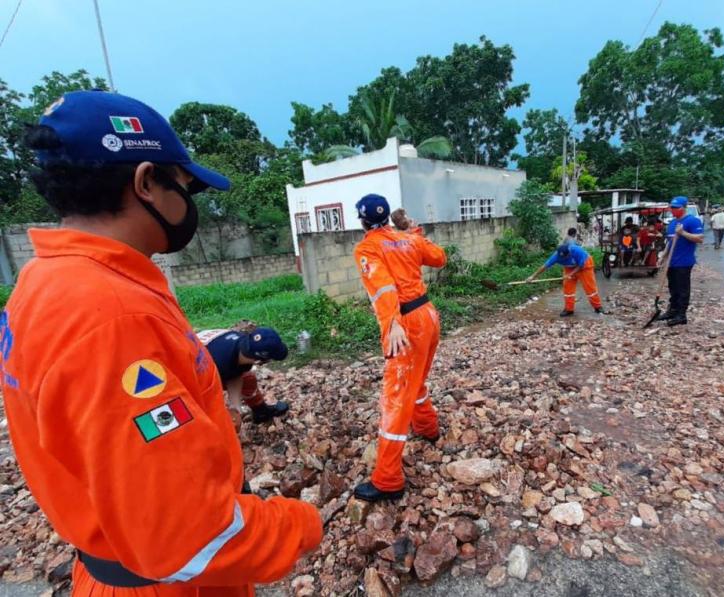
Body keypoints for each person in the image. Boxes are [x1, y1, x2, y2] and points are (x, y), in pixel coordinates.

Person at [0, 91, 321, 596]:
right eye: (186, 187)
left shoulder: (43, 282)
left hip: (117, 558)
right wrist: (299, 524)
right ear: (146, 181)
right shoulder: (108, 315)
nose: (190, 204)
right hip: (168, 582)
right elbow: (186, 535)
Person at [353, 193, 447, 502]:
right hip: (429, 316)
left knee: (395, 398)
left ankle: (388, 479)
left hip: (406, 323)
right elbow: (439, 258)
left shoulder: (367, 246)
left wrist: (392, 323)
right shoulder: (408, 238)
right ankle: (428, 427)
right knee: (415, 380)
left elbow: (383, 287)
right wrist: (414, 229)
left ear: (363, 220)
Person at [197, 326, 290, 430]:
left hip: (211, 351)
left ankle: (261, 412)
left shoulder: (244, 347)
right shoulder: (213, 366)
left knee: (247, 378)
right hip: (191, 375)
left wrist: (235, 407)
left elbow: (235, 374)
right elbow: (204, 397)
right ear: (260, 361)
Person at [657, 196, 704, 326]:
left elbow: (700, 238)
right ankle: (672, 310)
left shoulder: (692, 221)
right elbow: (670, 242)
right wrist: (663, 256)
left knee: (682, 289)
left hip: (684, 262)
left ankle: (681, 315)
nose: (673, 210)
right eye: (672, 207)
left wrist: (683, 233)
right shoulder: (672, 223)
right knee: (673, 288)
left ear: (684, 208)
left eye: (676, 208)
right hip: (671, 262)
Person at [527, 242, 603, 316]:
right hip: (569, 267)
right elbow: (544, 266)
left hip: (585, 266)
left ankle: (598, 307)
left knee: (590, 287)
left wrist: (571, 274)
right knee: (568, 288)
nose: (562, 259)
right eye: (561, 258)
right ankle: (569, 309)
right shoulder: (556, 256)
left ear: (569, 253)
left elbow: (580, 265)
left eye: (565, 257)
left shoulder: (577, 251)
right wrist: (532, 277)